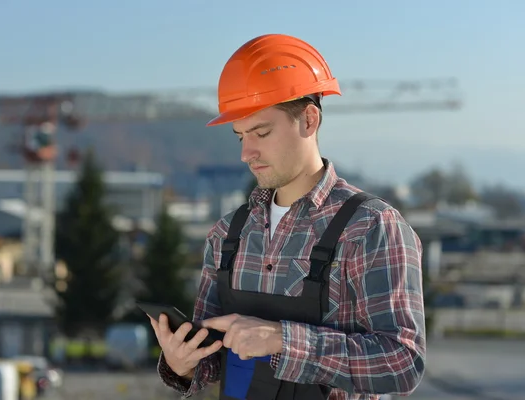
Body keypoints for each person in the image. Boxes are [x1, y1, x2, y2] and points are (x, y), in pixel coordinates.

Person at [147, 33, 426, 400]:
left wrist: (282, 340)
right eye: (240, 136)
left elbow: (402, 362)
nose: (247, 153)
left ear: (309, 120)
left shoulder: (371, 227)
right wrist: (182, 363)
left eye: (261, 132)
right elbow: (215, 360)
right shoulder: (228, 233)